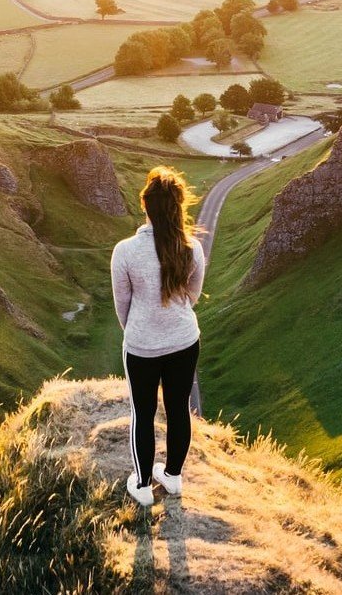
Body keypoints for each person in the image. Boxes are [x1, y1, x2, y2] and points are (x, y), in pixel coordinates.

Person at [113, 167, 206, 507]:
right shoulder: (191, 247)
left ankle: (141, 485)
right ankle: (173, 477)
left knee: (143, 411)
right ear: (178, 207)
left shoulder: (125, 251)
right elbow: (193, 294)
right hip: (184, 340)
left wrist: (139, 330)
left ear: (146, 207)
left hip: (142, 347)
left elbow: (122, 304)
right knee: (179, 408)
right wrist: (172, 318)